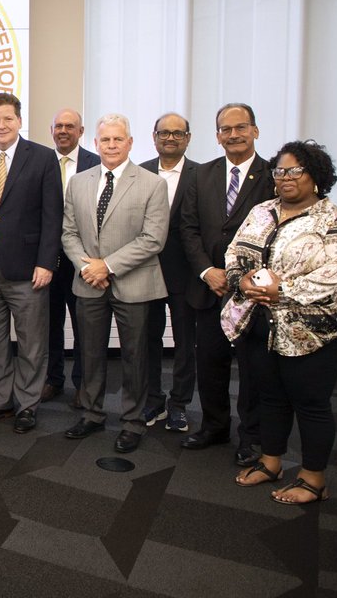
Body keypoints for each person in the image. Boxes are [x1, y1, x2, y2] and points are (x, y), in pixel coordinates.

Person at [226, 141, 337, 504]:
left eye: (295, 171)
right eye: (280, 171)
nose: (285, 178)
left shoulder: (334, 219)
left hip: (313, 332)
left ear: (315, 176)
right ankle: (271, 461)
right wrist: (240, 279)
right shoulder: (262, 211)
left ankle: (313, 479)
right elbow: (235, 251)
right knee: (270, 397)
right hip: (260, 325)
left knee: (310, 403)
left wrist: (281, 290)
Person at [61, 114, 169, 453]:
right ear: (95, 143)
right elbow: (69, 233)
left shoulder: (152, 183)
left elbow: (153, 239)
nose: (110, 145)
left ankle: (133, 422)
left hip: (134, 284)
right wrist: (87, 267)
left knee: (135, 356)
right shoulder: (78, 182)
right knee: (90, 352)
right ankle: (92, 414)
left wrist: (106, 266)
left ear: (130, 143)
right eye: (105, 140)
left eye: (117, 139)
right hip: (88, 283)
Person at [180, 103, 274, 467]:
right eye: (225, 129)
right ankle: (215, 426)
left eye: (240, 127)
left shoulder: (272, 175)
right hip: (209, 287)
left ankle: (251, 436)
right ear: (217, 134)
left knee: (253, 368)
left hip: (252, 291)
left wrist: (243, 277)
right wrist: (207, 270)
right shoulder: (201, 175)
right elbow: (187, 229)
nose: (233, 134)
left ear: (255, 130)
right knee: (210, 362)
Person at [0, 93, 62, 434]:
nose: (1, 125)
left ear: (19, 121)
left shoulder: (43, 158)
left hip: (29, 270)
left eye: (7, 119)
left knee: (32, 343)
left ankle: (27, 405)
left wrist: (47, 262)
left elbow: (53, 216)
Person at [139, 113, 198, 434]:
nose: (170, 138)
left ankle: (179, 405)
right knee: (147, 339)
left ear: (188, 138)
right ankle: (153, 398)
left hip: (185, 274)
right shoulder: (139, 172)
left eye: (177, 133)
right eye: (164, 133)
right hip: (145, 272)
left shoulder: (201, 175)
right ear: (154, 136)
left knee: (185, 342)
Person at [45, 108, 101, 405]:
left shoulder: (97, 162)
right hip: (49, 260)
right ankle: (53, 380)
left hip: (84, 260)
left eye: (70, 126)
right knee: (50, 325)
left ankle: (82, 385)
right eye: (58, 126)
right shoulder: (40, 161)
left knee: (84, 326)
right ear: (51, 130)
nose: (63, 131)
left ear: (81, 132)